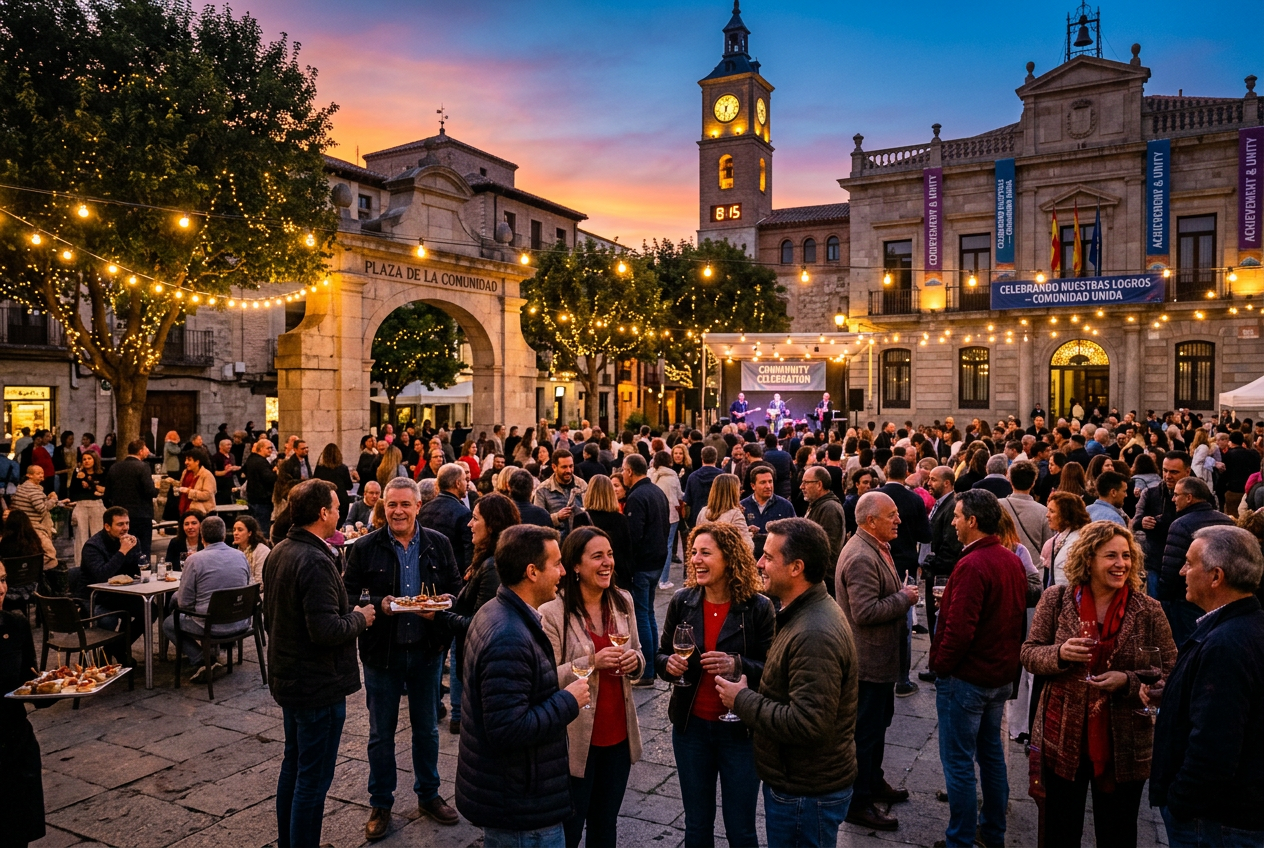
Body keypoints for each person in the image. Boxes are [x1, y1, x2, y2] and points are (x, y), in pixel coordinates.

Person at [1021, 521, 1176, 848]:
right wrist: (1060, 653)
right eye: (1111, 556)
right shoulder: (1057, 599)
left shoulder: (1149, 610)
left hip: (1125, 742)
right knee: (1060, 830)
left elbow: (1170, 672)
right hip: (1063, 735)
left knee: (1117, 833)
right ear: (1088, 559)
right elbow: (1029, 652)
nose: (1121, 564)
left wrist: (1128, 681)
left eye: (1126, 556)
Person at [716, 517, 857, 848]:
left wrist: (742, 699)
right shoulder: (801, 612)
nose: (759, 563)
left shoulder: (814, 632)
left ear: (796, 567)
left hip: (806, 793)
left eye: (767, 556)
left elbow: (809, 722)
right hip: (801, 784)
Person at [456, 523, 590, 847]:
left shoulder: (501, 612)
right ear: (532, 571)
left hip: (514, 793)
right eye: (556, 564)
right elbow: (507, 728)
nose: (562, 572)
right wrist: (569, 701)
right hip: (520, 807)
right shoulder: (509, 636)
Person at [343, 477, 463, 837]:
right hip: (383, 653)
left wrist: (441, 607)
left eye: (405, 505)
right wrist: (376, 605)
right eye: (391, 505)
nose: (398, 511)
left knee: (426, 728)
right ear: (383, 508)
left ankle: (429, 794)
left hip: (427, 652)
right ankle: (381, 802)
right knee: (381, 733)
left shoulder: (438, 544)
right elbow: (346, 597)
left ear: (417, 507)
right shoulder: (364, 548)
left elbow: (456, 592)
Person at [264, 479, 374, 848]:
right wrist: (361, 617)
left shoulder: (281, 550)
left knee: (294, 767)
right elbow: (326, 630)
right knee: (312, 778)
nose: (341, 512)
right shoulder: (313, 559)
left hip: (291, 678)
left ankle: (290, 841)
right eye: (337, 506)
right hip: (316, 685)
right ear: (323, 512)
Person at [657, 522, 774, 847]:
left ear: (730, 558)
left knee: (741, 830)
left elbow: (773, 671)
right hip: (691, 729)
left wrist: (738, 664)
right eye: (693, 552)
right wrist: (668, 664)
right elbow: (661, 655)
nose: (695, 559)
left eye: (705, 553)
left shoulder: (758, 607)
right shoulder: (683, 601)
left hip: (741, 732)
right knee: (696, 827)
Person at [1149, 525, 1264, 846]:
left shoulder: (1226, 643)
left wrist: (1181, 802)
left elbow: (1216, 743)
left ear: (1216, 576)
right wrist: (1173, 697)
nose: (1182, 571)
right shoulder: (1243, 626)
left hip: (1215, 821)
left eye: (1189, 563)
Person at [929, 489, 1027, 848]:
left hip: (968, 679)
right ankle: (992, 833)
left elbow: (959, 630)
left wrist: (940, 665)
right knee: (991, 758)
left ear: (972, 521)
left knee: (958, 763)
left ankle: (961, 840)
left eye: (956, 517)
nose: (952, 523)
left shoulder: (973, 564)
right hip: (998, 675)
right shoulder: (1009, 559)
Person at [542, 526, 645, 848]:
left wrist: (635, 663)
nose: (607, 563)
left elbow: (640, 655)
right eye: (597, 556)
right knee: (569, 830)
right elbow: (546, 678)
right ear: (575, 565)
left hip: (618, 735)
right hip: (575, 741)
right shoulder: (552, 612)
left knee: (605, 826)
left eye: (610, 555)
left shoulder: (623, 601)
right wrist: (591, 662)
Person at [835, 491, 917, 831]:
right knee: (865, 734)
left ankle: (874, 781)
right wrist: (904, 598)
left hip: (881, 660)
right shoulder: (860, 556)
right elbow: (865, 611)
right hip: (867, 662)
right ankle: (858, 801)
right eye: (892, 514)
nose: (899, 519)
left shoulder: (875, 547)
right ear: (871, 521)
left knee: (879, 726)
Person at [429, 492, 520, 735]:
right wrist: (451, 601)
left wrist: (437, 616)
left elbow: (480, 625)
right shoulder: (487, 559)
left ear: (493, 525)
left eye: (475, 518)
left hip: (481, 667)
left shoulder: (493, 565)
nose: (470, 524)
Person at [163, 516, 253, 680]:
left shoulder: (194, 560)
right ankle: (208, 654)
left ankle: (203, 659)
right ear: (224, 536)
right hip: (241, 622)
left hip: (211, 626)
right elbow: (247, 586)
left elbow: (185, 603)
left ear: (202, 537)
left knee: (169, 623)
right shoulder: (240, 556)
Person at [0, 561, 49, 847]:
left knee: (19, 833)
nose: (2, 589)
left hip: (15, 741)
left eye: (4, 579)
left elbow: (27, 683)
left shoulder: (14, 623)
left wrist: (57, 688)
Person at [878, 456, 932, 696]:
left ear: (886, 471)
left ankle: (879, 672)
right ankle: (902, 678)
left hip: (878, 562)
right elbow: (925, 534)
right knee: (904, 621)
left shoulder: (875, 497)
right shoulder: (913, 499)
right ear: (907, 472)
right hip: (905, 565)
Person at [1159, 476, 1234, 646]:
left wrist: (1164, 598)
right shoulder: (1227, 521)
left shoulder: (1180, 525)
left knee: (1188, 646)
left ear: (1189, 497)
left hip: (1186, 601)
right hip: (1221, 597)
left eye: (1176, 495)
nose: (1173, 499)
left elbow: (1170, 569)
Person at [619, 453, 670, 687]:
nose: (621, 474)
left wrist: (629, 564)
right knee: (648, 614)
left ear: (630, 471)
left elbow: (633, 537)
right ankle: (652, 665)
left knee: (641, 615)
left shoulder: (637, 496)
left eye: (622, 470)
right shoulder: (657, 491)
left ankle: (647, 670)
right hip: (657, 562)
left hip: (643, 565)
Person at [79, 507, 143, 660]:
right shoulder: (92, 546)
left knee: (149, 610)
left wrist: (134, 551)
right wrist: (122, 552)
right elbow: (102, 575)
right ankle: (114, 655)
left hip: (121, 594)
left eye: (127, 523)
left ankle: (115, 648)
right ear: (107, 526)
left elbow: (137, 572)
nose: (125, 528)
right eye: (120, 524)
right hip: (95, 597)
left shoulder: (131, 541)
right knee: (108, 619)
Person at [1133, 452, 1191, 598]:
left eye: (1174, 472)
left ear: (1187, 471)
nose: (1168, 476)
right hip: (1157, 563)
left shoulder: (1198, 494)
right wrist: (1143, 522)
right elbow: (1135, 521)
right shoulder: (1150, 494)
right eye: (1165, 470)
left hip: (1186, 564)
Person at [103, 439, 158, 557]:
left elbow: (106, 495)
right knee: (142, 549)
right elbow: (150, 491)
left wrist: (114, 510)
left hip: (119, 516)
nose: (148, 451)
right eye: (146, 448)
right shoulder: (143, 467)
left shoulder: (115, 467)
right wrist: (157, 489)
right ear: (141, 451)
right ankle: (142, 572)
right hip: (141, 515)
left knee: (123, 548)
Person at [418, 463, 474, 572]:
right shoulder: (464, 513)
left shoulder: (424, 509)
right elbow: (468, 551)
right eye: (464, 480)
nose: (467, 483)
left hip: (427, 571)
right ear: (457, 483)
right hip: (453, 574)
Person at [581, 475, 633, 589]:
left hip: (589, 578)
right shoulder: (621, 520)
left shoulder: (581, 518)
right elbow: (628, 552)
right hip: (617, 577)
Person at [802, 465, 847, 590]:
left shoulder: (830, 508)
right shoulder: (818, 505)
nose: (802, 487)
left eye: (806, 482)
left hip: (824, 582)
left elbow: (829, 549)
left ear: (819, 485)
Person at [739, 466, 795, 559]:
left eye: (770, 481)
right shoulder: (742, 506)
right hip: (749, 558)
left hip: (776, 559)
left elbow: (793, 535)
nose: (768, 486)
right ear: (753, 486)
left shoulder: (785, 506)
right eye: (763, 482)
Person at [533, 450, 588, 538]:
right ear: (554, 467)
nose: (568, 470)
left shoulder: (582, 485)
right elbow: (538, 520)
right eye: (564, 467)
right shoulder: (543, 489)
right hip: (556, 540)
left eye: (571, 466)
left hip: (580, 538)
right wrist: (557, 517)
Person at [650, 450, 684, 589]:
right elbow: (679, 495)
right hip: (671, 514)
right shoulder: (673, 475)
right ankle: (664, 580)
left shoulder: (651, 474)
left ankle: (653, 576)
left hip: (654, 514)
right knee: (668, 545)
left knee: (654, 544)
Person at [68, 450, 106, 568]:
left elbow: (103, 490)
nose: (86, 461)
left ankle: (99, 562)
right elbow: (72, 491)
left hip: (96, 504)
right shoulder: (78, 472)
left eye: (89, 458)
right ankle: (80, 565)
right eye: (84, 459)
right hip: (81, 504)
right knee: (81, 536)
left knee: (98, 534)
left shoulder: (101, 472)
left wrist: (89, 482)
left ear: (94, 459)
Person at [1045, 492, 1090, 587]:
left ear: (1066, 515)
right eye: (1048, 510)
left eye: (1052, 511)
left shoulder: (1077, 542)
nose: (1047, 515)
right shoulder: (1060, 537)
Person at [243, 438, 278, 536]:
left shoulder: (251, 459)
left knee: (255, 527)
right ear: (261, 448)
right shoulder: (261, 462)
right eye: (268, 448)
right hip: (262, 500)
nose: (271, 450)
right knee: (263, 529)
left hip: (252, 498)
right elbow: (269, 479)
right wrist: (276, 473)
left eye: (271, 448)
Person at [314, 443, 354, 525]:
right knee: (340, 523)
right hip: (341, 499)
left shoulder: (320, 469)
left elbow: (315, 484)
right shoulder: (343, 468)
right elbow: (349, 486)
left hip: (325, 499)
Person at [233, 516, 271, 587]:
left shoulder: (262, 551)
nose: (235, 533)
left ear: (249, 533)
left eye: (240, 530)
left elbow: (260, 582)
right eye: (234, 530)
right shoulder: (235, 552)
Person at [175, 449, 216, 515]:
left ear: (197, 462)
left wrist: (189, 492)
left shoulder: (207, 475)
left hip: (202, 513)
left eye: (189, 460)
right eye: (186, 460)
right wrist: (172, 482)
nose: (186, 462)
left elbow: (207, 495)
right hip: (184, 511)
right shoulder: (185, 472)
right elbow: (181, 486)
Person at [211, 439, 240, 506]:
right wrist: (227, 470)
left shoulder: (232, 456)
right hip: (221, 484)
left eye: (230, 445)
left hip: (231, 481)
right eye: (227, 445)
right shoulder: (215, 457)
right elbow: (215, 472)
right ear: (221, 446)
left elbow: (233, 467)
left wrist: (236, 468)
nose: (229, 446)